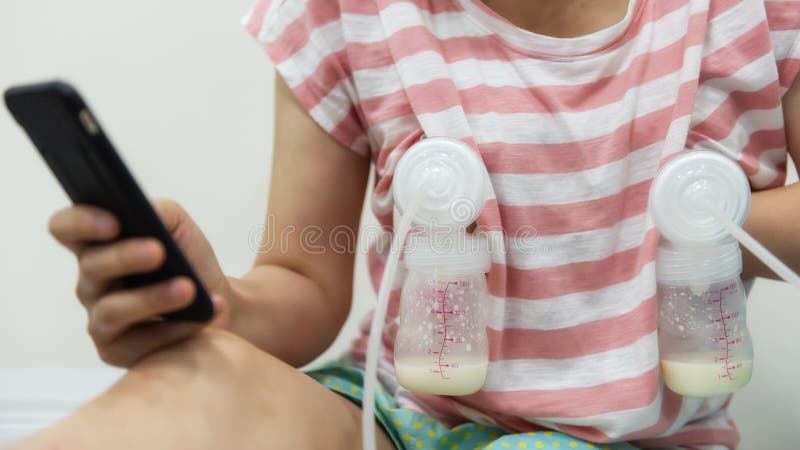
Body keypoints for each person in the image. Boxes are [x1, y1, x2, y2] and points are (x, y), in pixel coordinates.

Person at [10, 0, 800, 449]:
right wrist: (218, 308)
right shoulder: (351, 14)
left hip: (623, 438)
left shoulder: (748, 16)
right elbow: (302, 278)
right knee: (193, 389)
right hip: (389, 415)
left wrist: (717, 216)